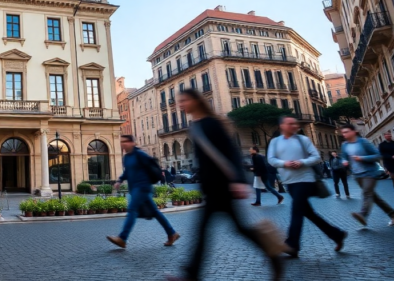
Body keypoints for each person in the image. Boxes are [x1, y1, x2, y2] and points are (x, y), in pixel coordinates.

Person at [166, 90, 282, 281]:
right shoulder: (196, 126)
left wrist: (236, 181)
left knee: (222, 230)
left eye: (184, 100)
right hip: (213, 188)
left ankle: (191, 275)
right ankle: (192, 274)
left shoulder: (211, 124)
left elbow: (230, 152)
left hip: (223, 187)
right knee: (220, 230)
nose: (180, 104)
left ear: (196, 101)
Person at [267, 116, 346, 258]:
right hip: (289, 182)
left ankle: (292, 245)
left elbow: (316, 157)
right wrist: (284, 163)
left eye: (294, 123)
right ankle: (337, 235)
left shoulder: (303, 140)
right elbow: (271, 160)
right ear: (282, 126)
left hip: (305, 180)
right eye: (289, 123)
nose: (293, 125)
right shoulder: (274, 142)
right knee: (309, 213)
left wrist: (301, 162)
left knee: (296, 211)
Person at [107, 135, 180, 248]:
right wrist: (120, 180)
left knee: (132, 210)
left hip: (142, 187)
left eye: (125, 141)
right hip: (135, 188)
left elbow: (152, 165)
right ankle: (172, 233)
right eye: (121, 142)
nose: (123, 144)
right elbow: (127, 172)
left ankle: (123, 238)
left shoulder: (140, 154)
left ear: (132, 143)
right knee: (155, 212)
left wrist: (156, 177)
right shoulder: (126, 158)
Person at [340, 124, 394, 227]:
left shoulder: (363, 142)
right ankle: (392, 214)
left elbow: (378, 155)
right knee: (373, 196)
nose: (344, 134)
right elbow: (344, 157)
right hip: (357, 174)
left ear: (353, 131)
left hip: (370, 172)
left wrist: (362, 158)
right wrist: (344, 161)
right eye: (343, 133)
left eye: (346, 132)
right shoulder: (345, 145)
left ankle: (363, 215)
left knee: (366, 193)